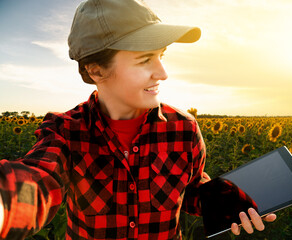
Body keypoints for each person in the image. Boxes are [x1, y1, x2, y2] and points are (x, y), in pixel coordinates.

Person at [0, 0, 276, 239]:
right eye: (145, 60)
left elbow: (190, 189)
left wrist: (221, 199)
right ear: (96, 71)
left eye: (161, 56)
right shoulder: (66, 131)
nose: (162, 73)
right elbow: (37, 181)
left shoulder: (184, 129)